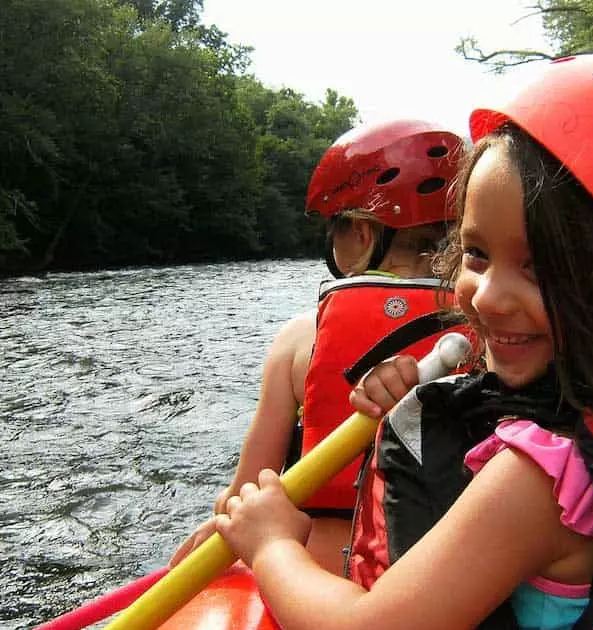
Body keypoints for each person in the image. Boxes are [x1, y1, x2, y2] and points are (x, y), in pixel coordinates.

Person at [213, 54, 593, 630]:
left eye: (539, 269)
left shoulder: (538, 482)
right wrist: (411, 406)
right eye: (478, 254)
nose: (485, 295)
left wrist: (273, 545)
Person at [171, 119, 466, 574]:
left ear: (363, 233)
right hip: (446, 573)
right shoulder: (492, 329)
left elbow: (246, 494)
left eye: (336, 230)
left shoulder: (298, 338)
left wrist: (222, 515)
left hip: (319, 577)